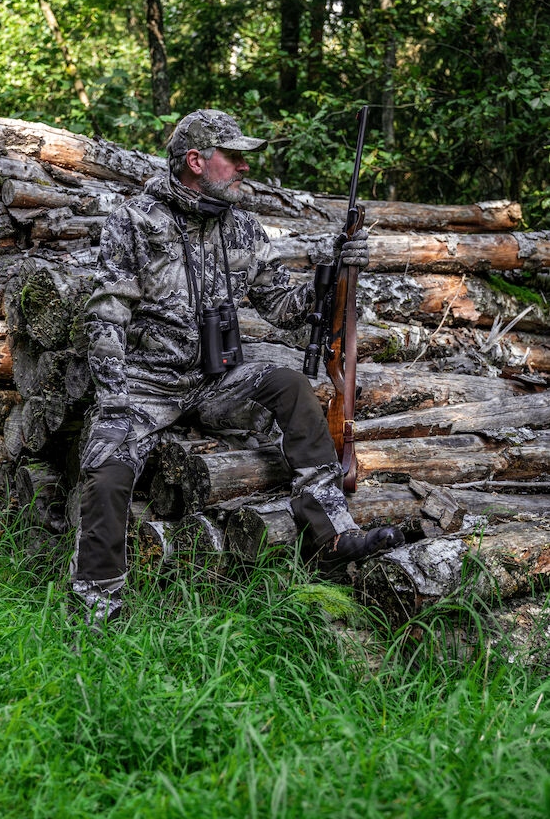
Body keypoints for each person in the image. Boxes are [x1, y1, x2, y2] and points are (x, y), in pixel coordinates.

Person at [71, 109, 403, 624]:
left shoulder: (243, 227)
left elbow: (283, 308)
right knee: (108, 470)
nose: (245, 167)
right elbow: (107, 312)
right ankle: (97, 607)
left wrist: (337, 273)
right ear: (196, 161)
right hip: (145, 384)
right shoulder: (136, 220)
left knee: (291, 386)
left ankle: (333, 535)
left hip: (217, 379)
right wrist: (115, 399)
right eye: (234, 156)